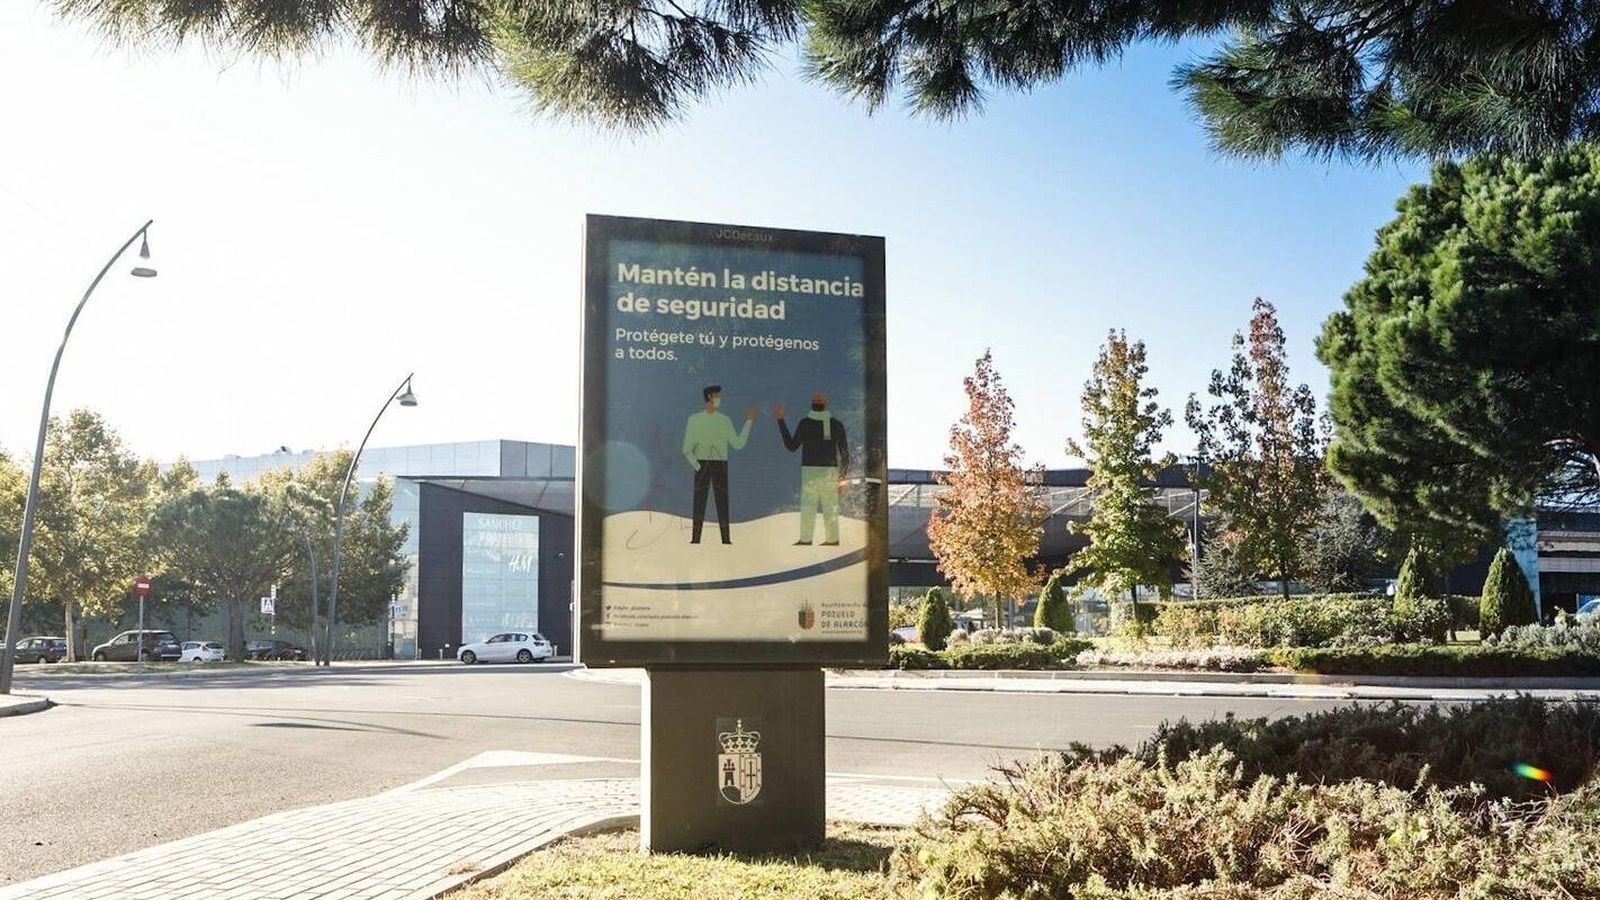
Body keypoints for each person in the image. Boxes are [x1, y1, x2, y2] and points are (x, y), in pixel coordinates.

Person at [772, 393, 849, 546]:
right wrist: (780, 420)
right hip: (816, 470)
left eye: (818, 401)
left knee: (825, 507)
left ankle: (827, 539)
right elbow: (792, 446)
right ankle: (809, 539)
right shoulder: (812, 423)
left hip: (823, 471)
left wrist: (842, 477)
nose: (816, 403)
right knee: (813, 507)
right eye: (815, 401)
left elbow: (845, 453)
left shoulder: (830, 424)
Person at [682, 385, 756, 544]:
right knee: (699, 503)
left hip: (720, 465)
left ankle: (726, 540)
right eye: (718, 396)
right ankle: (695, 540)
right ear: (710, 397)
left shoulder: (725, 420)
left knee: (723, 503)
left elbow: (738, 443)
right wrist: (697, 466)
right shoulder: (694, 419)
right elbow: (686, 449)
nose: (720, 399)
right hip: (701, 464)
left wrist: (749, 422)